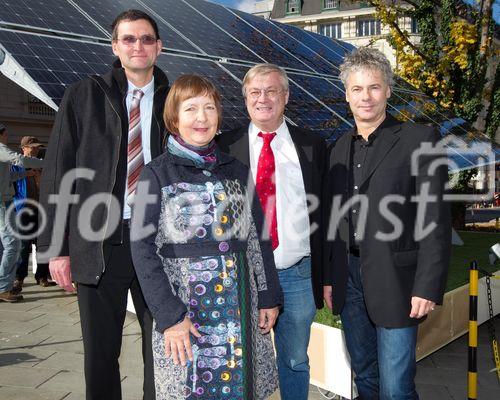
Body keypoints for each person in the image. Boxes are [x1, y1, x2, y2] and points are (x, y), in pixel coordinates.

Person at [37, 10, 169, 399]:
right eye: (129, 39)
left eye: (146, 39)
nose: (138, 46)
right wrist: (55, 249)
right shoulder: (83, 95)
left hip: (158, 243)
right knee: (100, 353)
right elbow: (58, 171)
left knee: (161, 350)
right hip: (97, 242)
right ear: (115, 47)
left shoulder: (176, 99)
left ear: (159, 47)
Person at [130, 74, 283, 399]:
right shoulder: (155, 174)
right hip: (185, 315)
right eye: (191, 109)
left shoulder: (237, 171)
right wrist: (170, 317)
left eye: (209, 108)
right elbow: (142, 250)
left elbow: (259, 237)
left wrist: (268, 295)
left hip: (239, 314)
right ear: (174, 117)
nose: (201, 118)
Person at [323, 47, 451, 399]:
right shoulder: (336, 149)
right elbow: (335, 220)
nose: (366, 97)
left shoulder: (419, 140)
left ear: (388, 90)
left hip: (398, 280)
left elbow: (435, 219)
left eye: (374, 87)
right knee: (365, 376)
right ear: (347, 94)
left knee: (396, 386)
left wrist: (427, 285)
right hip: (348, 277)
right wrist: (331, 278)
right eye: (357, 89)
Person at [217, 63, 328, 400]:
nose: (263, 98)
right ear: (246, 98)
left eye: (271, 91)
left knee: (294, 359)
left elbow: (327, 212)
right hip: (243, 275)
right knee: (238, 357)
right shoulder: (225, 146)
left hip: (297, 272)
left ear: (286, 96)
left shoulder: (312, 146)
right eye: (255, 92)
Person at [0, 124, 44, 303]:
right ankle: (3, 287)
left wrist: (24, 175)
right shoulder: (1, 149)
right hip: (3, 202)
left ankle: (6, 285)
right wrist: (47, 163)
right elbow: (20, 160)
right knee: (13, 244)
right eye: (5, 134)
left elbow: (8, 177)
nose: (7, 137)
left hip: (5, 201)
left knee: (11, 245)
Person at [12, 136, 52, 294]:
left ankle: (41, 275)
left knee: (43, 244)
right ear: (23, 148)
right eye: (32, 147)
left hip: (42, 210)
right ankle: (19, 278)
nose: (35, 149)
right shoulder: (16, 165)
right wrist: (26, 175)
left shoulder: (42, 165)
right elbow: (9, 185)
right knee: (23, 246)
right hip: (23, 210)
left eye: (37, 146)